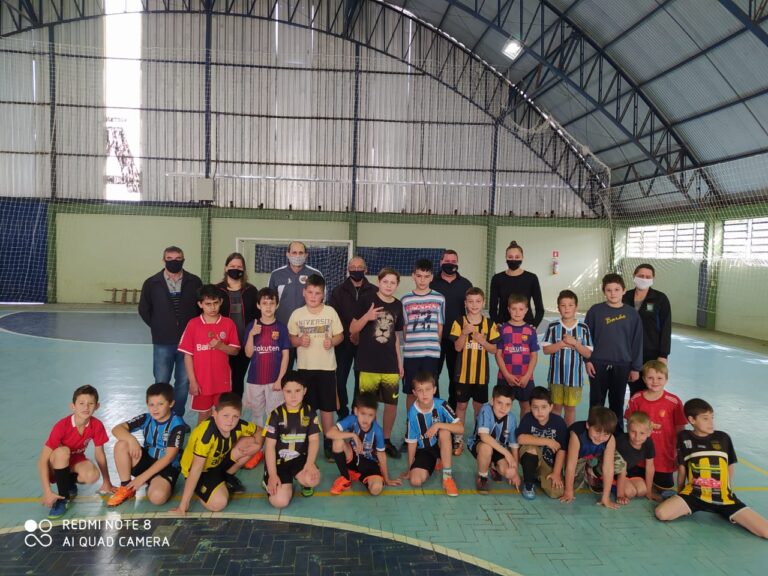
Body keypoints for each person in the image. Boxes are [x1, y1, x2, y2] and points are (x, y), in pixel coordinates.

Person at [655, 398, 768, 539]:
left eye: (712, 418)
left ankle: (722, 510)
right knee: (662, 514)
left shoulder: (723, 438)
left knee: (765, 531)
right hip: (694, 495)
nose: (711, 423)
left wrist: (727, 490)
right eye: (705, 419)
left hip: (724, 498)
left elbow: (729, 466)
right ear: (692, 420)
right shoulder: (684, 437)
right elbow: (682, 469)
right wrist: (680, 493)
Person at [139, 245, 202, 417]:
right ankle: (161, 416)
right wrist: (158, 326)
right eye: (170, 259)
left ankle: (177, 416)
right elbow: (144, 309)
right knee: (161, 381)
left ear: (183, 259)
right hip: (162, 341)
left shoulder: (194, 282)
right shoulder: (152, 283)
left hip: (188, 343)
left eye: (178, 258)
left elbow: (200, 309)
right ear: (163, 260)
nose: (174, 261)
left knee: (183, 381)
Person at [172, 393, 262, 514]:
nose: (230, 421)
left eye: (235, 416)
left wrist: (258, 445)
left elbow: (259, 431)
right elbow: (196, 469)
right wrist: (183, 505)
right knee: (219, 503)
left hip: (217, 463)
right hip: (200, 471)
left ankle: (226, 476)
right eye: (226, 415)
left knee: (251, 442)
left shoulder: (239, 425)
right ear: (215, 413)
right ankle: (209, 485)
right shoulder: (206, 435)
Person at [349, 268, 405, 459]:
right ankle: (365, 438)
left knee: (391, 404)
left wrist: (399, 362)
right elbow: (352, 329)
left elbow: (395, 337)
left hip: (389, 364)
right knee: (367, 406)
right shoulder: (367, 300)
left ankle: (386, 440)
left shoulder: (398, 305)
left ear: (397, 285)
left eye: (393, 283)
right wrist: (367, 317)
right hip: (368, 364)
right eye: (385, 282)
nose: (389, 285)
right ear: (379, 282)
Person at [287, 274, 344, 459]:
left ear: (323, 295)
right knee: (307, 409)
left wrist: (332, 341)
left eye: (317, 293)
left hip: (327, 368)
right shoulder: (297, 314)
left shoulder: (330, 312)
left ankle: (328, 441)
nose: (313, 296)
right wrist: (299, 341)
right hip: (305, 369)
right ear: (304, 292)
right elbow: (291, 338)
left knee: (327, 409)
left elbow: (340, 335)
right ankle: (306, 442)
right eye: (310, 292)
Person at [38, 385, 115, 519]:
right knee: (63, 452)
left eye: (90, 403)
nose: (86, 407)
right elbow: (42, 461)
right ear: (73, 406)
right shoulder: (61, 426)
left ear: (97, 406)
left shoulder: (96, 425)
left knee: (92, 475)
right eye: (81, 403)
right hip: (55, 464)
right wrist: (47, 491)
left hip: (74, 461)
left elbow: (99, 454)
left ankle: (68, 483)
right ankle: (63, 499)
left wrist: (106, 481)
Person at [107, 383, 187, 507]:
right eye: (151, 404)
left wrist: (141, 478)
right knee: (122, 444)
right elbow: (116, 429)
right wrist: (132, 440)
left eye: (160, 404)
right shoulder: (147, 418)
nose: (155, 409)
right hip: (147, 460)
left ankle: (155, 482)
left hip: (167, 466)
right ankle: (126, 488)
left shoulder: (177, 424)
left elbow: (169, 457)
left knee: (157, 498)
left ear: (171, 404)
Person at [585, 273, 643, 432]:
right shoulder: (595, 311)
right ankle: (593, 432)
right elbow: (586, 338)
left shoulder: (632, 314)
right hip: (598, 364)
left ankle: (616, 436)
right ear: (604, 291)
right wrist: (587, 360)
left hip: (622, 364)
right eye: (609, 290)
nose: (613, 293)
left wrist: (636, 367)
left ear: (624, 291)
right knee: (596, 402)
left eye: (617, 289)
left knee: (617, 402)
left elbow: (637, 342)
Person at [178, 284, 241, 423]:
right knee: (204, 415)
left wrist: (220, 346)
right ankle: (201, 438)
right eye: (208, 304)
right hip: (202, 382)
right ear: (200, 304)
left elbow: (235, 350)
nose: (212, 308)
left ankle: (220, 438)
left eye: (215, 303)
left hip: (222, 381)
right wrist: (193, 382)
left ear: (221, 302)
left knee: (222, 415)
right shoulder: (193, 324)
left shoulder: (228, 323)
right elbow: (188, 355)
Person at [449, 286, 500, 456]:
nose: (474, 304)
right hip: (462, 374)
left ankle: (478, 438)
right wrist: (464, 333)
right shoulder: (459, 322)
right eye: (470, 301)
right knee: (461, 406)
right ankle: (458, 439)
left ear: (483, 302)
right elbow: (457, 347)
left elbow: (494, 350)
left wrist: (482, 341)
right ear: (465, 303)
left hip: (481, 376)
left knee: (479, 409)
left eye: (478, 301)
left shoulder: (489, 324)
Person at [625, 360, 687, 496]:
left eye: (659, 378)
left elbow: (680, 429)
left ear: (666, 379)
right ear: (644, 379)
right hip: (639, 457)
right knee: (636, 490)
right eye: (650, 378)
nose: (655, 382)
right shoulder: (637, 399)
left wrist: (679, 451)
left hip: (664, 458)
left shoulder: (674, 402)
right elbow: (630, 423)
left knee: (663, 490)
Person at [262, 372, 322, 508]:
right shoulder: (275, 415)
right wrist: (272, 474)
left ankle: (301, 480)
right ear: (282, 391)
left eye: (297, 391)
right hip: (279, 462)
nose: (293, 396)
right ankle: (268, 478)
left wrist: (310, 464)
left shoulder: (310, 412)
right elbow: (269, 447)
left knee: (313, 479)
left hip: (299, 459)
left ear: (304, 391)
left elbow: (314, 441)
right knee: (280, 502)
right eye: (288, 391)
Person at [325, 393, 402, 496]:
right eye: (363, 414)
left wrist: (387, 479)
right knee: (337, 441)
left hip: (369, 463)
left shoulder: (378, 431)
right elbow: (329, 433)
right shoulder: (352, 419)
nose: (366, 419)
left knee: (376, 489)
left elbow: (381, 455)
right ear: (356, 411)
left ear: (374, 415)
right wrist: (353, 435)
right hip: (352, 457)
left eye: (370, 415)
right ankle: (346, 478)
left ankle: (357, 475)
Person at [327, 256, 376, 418]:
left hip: (365, 344)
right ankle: (343, 413)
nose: (356, 270)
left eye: (359, 267)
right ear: (348, 269)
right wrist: (351, 334)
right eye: (353, 267)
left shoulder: (374, 291)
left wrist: (360, 334)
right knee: (339, 381)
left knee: (361, 382)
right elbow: (334, 317)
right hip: (343, 343)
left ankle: (356, 412)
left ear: (366, 269)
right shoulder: (338, 291)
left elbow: (375, 317)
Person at [404, 371, 463, 497]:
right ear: (414, 393)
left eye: (427, 389)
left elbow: (460, 429)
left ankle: (447, 478)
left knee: (444, 432)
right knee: (415, 481)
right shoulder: (412, 413)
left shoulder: (441, 405)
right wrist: (410, 468)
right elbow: (411, 443)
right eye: (420, 390)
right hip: (425, 450)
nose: (424, 394)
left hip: (441, 444)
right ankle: (435, 460)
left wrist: (438, 425)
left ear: (434, 390)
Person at [268, 241, 323, 367]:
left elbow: (322, 303)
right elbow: (269, 304)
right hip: (282, 333)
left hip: (308, 334)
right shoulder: (276, 275)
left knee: (307, 372)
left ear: (306, 255)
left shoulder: (316, 274)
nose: (297, 256)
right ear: (287, 254)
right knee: (283, 371)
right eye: (294, 252)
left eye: (300, 253)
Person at [542, 290, 593, 426]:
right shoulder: (553, 326)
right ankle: (556, 433)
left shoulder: (583, 327)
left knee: (570, 409)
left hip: (574, 379)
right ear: (558, 308)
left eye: (570, 305)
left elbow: (588, 354)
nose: (567, 308)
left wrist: (575, 343)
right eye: (563, 305)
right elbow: (546, 350)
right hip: (555, 378)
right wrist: (562, 343)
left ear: (576, 307)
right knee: (556, 408)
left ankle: (568, 434)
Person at [430, 249, 473, 410]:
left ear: (457, 263)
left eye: (453, 261)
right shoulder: (432, 283)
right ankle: (435, 409)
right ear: (441, 262)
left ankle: (451, 411)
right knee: (433, 376)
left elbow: (471, 311)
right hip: (435, 338)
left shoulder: (466, 284)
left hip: (458, 339)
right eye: (447, 261)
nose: (450, 264)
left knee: (456, 377)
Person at [401, 258, 445, 410]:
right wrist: (411, 343)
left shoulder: (439, 298)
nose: (422, 280)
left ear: (432, 277)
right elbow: (405, 327)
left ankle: (431, 421)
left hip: (431, 354)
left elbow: (440, 326)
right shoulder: (405, 299)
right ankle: (411, 421)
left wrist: (434, 344)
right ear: (413, 276)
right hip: (411, 354)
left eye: (426, 276)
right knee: (411, 392)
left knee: (429, 390)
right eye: (419, 276)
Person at [243, 288, 290, 428]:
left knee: (275, 415)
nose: (268, 307)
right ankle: (258, 441)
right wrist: (251, 335)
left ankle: (272, 440)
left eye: (271, 303)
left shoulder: (281, 328)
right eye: (264, 303)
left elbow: (285, 356)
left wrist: (280, 379)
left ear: (277, 305)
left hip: (274, 381)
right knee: (256, 415)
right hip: (255, 380)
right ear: (258, 305)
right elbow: (248, 354)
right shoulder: (252, 326)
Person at [623, 264, 672, 396]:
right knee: (631, 388)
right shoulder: (625, 297)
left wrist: (663, 355)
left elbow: (666, 328)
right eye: (641, 276)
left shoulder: (660, 299)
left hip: (650, 353)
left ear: (653, 278)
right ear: (634, 276)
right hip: (627, 351)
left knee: (648, 390)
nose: (644, 279)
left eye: (648, 277)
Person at [215, 252, 259, 399]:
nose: (235, 269)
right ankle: (220, 410)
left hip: (243, 344)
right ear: (226, 267)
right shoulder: (216, 290)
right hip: (221, 344)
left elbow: (257, 317)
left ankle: (234, 409)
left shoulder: (251, 291)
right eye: (232, 266)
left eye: (239, 267)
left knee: (238, 379)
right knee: (221, 379)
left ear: (244, 269)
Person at [560, 406, 620, 509]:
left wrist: (606, 497)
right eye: (597, 432)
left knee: (618, 464)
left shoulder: (610, 439)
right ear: (588, 425)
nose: (600, 438)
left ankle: (592, 471)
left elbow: (608, 468)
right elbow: (571, 465)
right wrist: (568, 491)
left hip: (595, 455)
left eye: (605, 434)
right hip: (578, 457)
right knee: (570, 486)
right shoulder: (577, 435)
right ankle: (585, 471)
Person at [515, 386, 568, 500]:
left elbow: (562, 449)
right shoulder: (528, 418)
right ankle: (528, 484)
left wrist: (556, 473)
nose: (539, 412)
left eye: (544, 407)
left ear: (551, 407)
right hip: (532, 456)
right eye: (535, 407)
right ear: (530, 407)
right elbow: (520, 438)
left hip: (548, 462)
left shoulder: (559, 422)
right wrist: (547, 441)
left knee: (556, 492)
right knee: (530, 448)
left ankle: (538, 475)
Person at [467, 384, 520, 494]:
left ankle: (493, 467)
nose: (503, 408)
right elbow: (484, 436)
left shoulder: (512, 419)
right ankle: (482, 477)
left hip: (499, 448)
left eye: (508, 404)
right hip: (479, 444)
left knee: (510, 472)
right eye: (499, 403)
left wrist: (516, 472)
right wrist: (507, 454)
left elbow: (514, 446)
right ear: (492, 401)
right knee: (486, 448)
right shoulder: (486, 409)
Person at [495, 293, 539, 418]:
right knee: (502, 406)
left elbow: (534, 356)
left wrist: (527, 376)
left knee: (526, 406)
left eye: (521, 309)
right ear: (508, 309)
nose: (517, 312)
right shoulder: (502, 330)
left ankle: (523, 430)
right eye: (514, 309)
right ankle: (502, 429)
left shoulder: (531, 331)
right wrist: (507, 375)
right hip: (505, 378)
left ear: (526, 310)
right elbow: (498, 355)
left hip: (525, 378)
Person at [489, 241, 544, 327]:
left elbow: (539, 308)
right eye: (510, 257)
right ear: (506, 258)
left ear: (522, 257)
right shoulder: (497, 278)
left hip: (526, 326)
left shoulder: (532, 278)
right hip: (503, 326)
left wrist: (534, 325)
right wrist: (497, 323)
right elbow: (492, 307)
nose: (513, 260)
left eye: (517, 257)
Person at [614, 411, 656, 504]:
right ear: (628, 429)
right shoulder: (621, 443)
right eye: (633, 432)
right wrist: (620, 495)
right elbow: (621, 469)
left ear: (649, 432)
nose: (637, 437)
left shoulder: (648, 442)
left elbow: (650, 467)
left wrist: (649, 491)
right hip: (616, 472)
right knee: (630, 492)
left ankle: (629, 483)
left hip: (630, 471)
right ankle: (611, 484)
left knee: (642, 491)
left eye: (642, 433)